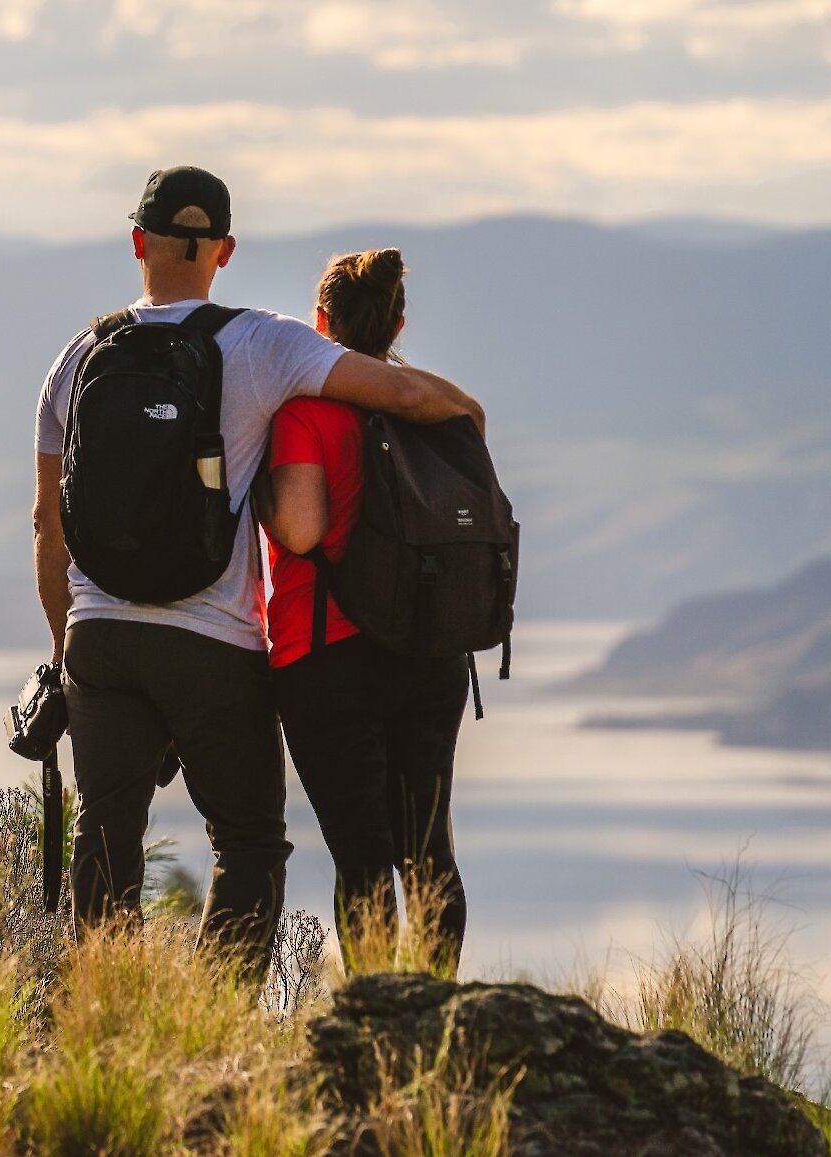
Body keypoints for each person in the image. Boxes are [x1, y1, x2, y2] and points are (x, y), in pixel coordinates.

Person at [31, 167, 483, 976]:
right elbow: (396, 391)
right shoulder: (262, 344)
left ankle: (107, 1022)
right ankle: (214, 1019)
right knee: (246, 842)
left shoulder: (76, 357)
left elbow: (47, 524)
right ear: (225, 251)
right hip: (215, 638)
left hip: (97, 633)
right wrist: (463, 411)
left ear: (139, 242)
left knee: (105, 834)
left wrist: (66, 655)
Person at [261, 248, 471, 976]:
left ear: (320, 322)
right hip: (430, 650)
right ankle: (437, 1009)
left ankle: (381, 1022)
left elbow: (303, 529)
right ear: (398, 323)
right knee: (428, 850)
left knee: (363, 857)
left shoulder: (305, 413)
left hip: (327, 658)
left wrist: (257, 493)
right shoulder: (430, 409)